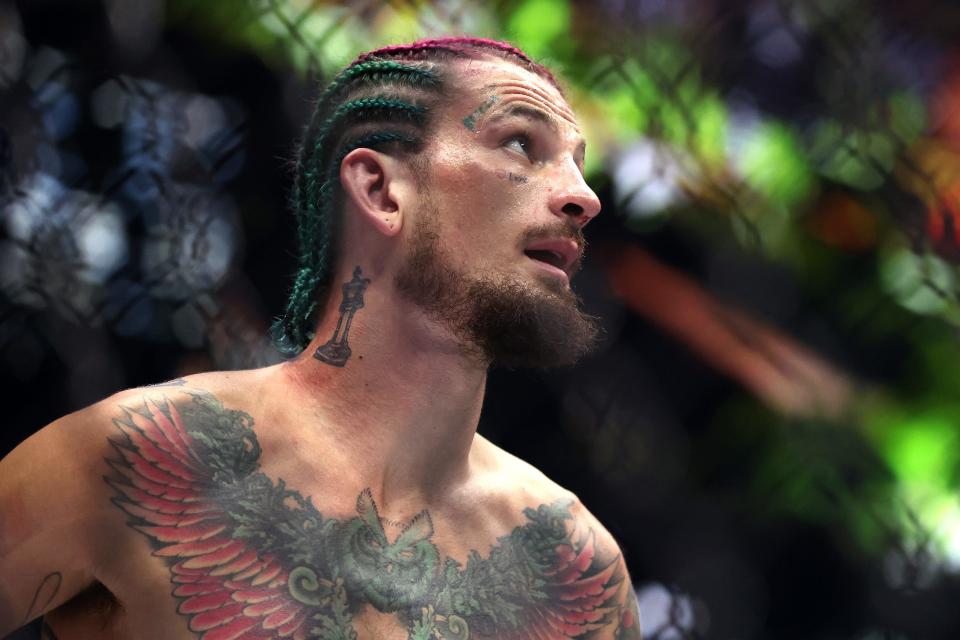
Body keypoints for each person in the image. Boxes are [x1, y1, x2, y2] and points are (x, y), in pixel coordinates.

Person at [0, 37, 642, 639]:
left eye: (578, 163)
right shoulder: (137, 457)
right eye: (522, 146)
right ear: (381, 189)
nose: (583, 197)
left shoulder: (573, 567)